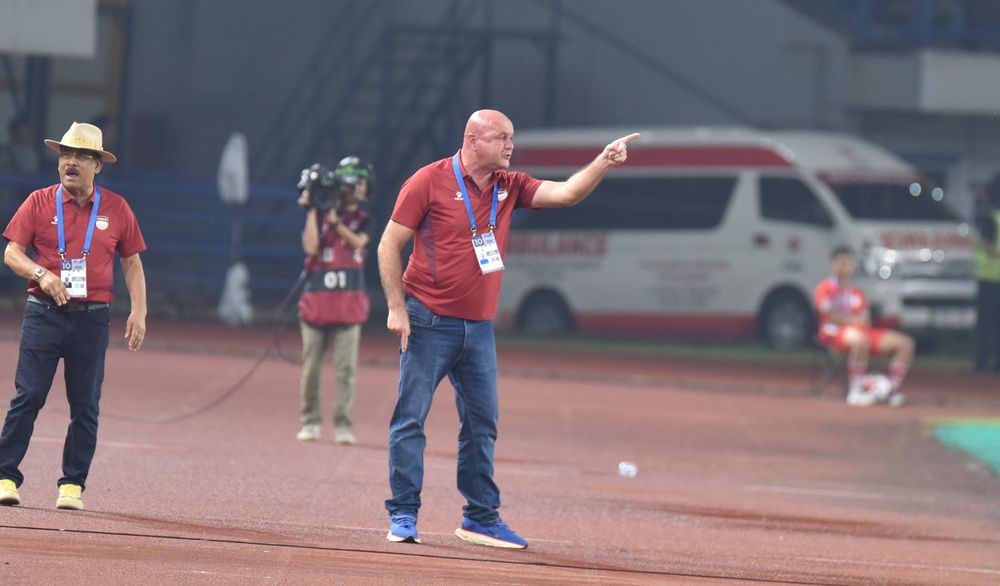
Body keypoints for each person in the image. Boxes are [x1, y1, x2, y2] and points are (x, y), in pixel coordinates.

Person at [378, 109, 638, 548]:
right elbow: (389, 243)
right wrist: (396, 308)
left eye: (511, 138)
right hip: (428, 321)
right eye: (502, 138)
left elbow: (567, 193)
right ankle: (404, 513)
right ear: (473, 140)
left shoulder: (509, 185)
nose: (510, 146)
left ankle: (479, 518)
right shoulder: (428, 180)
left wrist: (604, 161)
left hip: (479, 329)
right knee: (410, 420)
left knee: (482, 425)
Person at [0, 122, 147, 510]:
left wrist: (139, 310)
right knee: (28, 396)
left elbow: (131, 262)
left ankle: (72, 484)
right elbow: (12, 253)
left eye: (82, 156)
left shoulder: (116, 208)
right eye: (66, 154)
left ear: (97, 165)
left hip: (92, 319)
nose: (71, 162)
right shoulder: (39, 202)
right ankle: (5, 475)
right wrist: (41, 273)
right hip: (43, 313)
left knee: (85, 405)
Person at [295, 157, 373, 445]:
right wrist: (313, 210)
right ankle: (310, 421)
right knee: (311, 366)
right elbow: (311, 247)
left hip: (349, 306)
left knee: (346, 369)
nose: (352, 191)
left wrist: (335, 221)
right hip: (316, 303)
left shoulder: (363, 219)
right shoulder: (319, 215)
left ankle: (343, 424)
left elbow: (359, 242)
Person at [814, 245, 914, 407]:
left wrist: (855, 322)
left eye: (848, 262)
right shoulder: (823, 289)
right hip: (835, 333)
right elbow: (830, 315)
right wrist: (851, 321)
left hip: (862, 332)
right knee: (859, 340)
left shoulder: (857, 293)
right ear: (833, 264)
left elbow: (864, 320)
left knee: (905, 343)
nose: (845, 266)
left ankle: (890, 390)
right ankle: (856, 390)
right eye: (841, 262)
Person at [972, 179, 1000, 374]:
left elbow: (987, 247)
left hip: (989, 277)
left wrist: (984, 247)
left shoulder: (988, 218)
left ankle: (981, 364)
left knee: (985, 324)